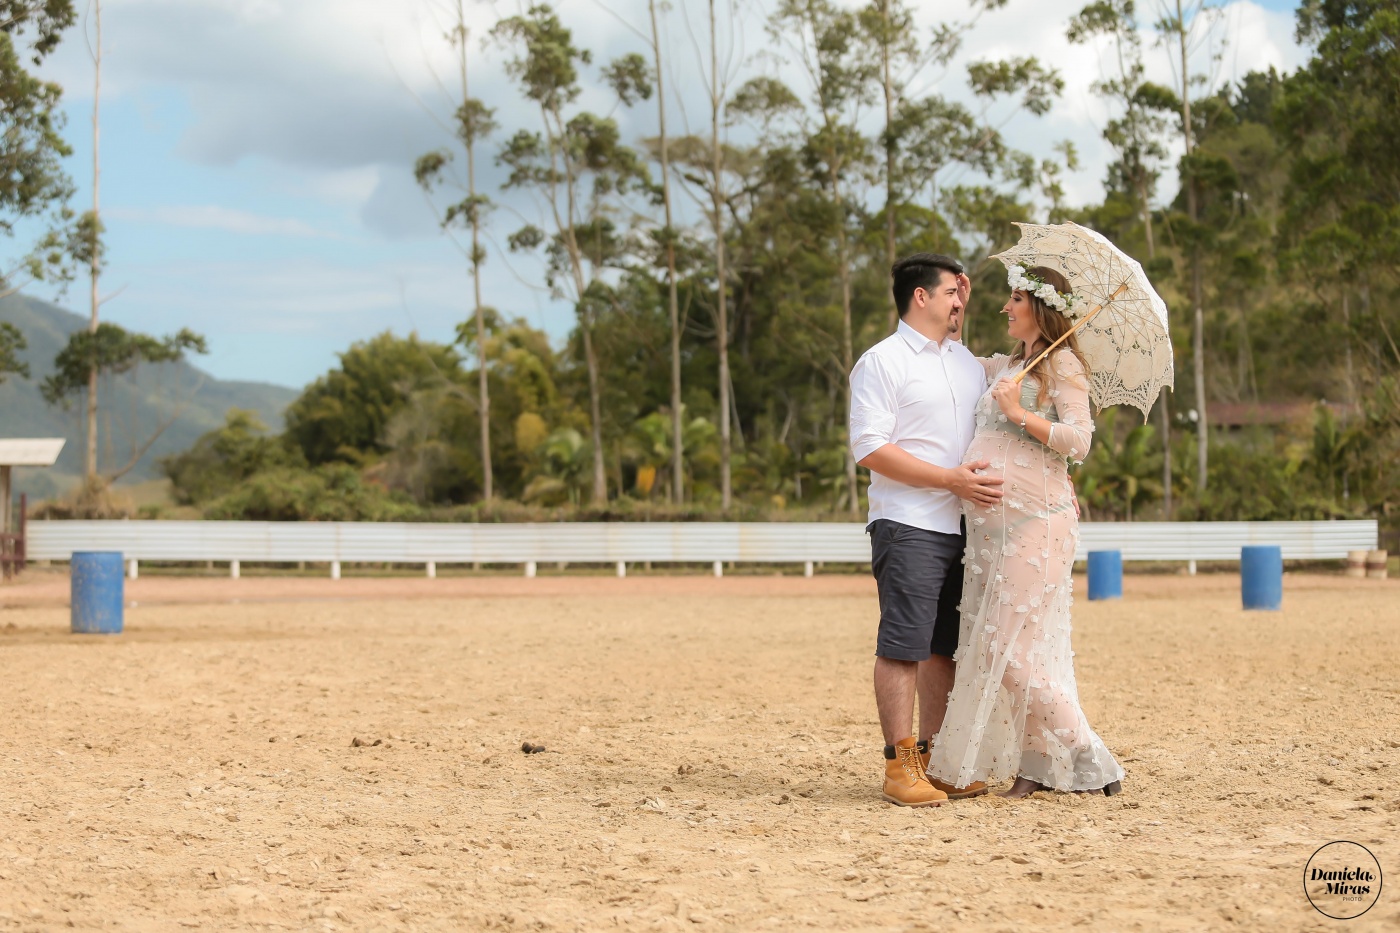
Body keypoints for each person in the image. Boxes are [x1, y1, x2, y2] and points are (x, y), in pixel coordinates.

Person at [926, 264, 1125, 798]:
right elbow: (953, 356)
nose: (1005, 307)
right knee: (1018, 650)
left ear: (1039, 306)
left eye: (1014, 298)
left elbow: (1078, 441)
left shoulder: (1061, 363)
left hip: (1038, 522)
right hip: (991, 532)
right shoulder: (1007, 363)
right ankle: (1037, 766)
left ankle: (1087, 752)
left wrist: (1019, 414)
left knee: (1005, 651)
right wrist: (956, 306)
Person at [848, 253, 1003, 808]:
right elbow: (869, 447)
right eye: (951, 293)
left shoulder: (965, 362)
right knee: (903, 646)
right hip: (908, 523)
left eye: (964, 293)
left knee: (944, 649)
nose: (960, 301)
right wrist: (947, 480)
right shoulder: (882, 362)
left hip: (965, 526)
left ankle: (938, 761)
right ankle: (899, 766)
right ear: (921, 297)